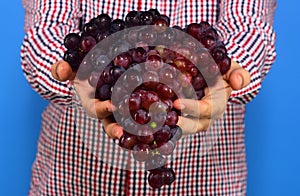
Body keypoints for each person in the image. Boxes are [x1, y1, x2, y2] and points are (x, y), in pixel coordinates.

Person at [21, 0, 276, 195]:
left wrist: (231, 68)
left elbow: (249, 23)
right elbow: (48, 25)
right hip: (72, 177)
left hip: (203, 179)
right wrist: (68, 69)